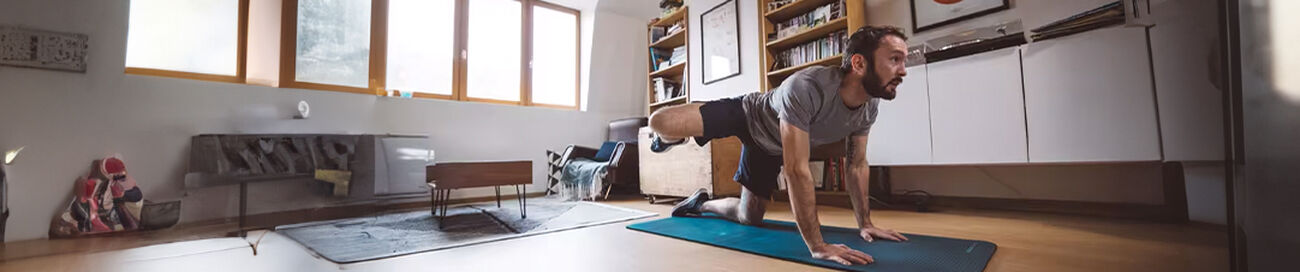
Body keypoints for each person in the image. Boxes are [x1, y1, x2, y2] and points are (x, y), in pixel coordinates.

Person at [646, 25, 911, 266]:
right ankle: (668, 139)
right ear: (859, 63)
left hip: (769, 148)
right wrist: (817, 246)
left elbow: (856, 164)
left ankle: (700, 203)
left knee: (749, 217)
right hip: (748, 114)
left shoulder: (869, 106)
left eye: (903, 60)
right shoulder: (807, 87)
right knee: (662, 122)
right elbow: (796, 170)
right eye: (894, 59)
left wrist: (866, 223)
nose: (903, 70)